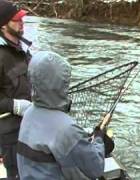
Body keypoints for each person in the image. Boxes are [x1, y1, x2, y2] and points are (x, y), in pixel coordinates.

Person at [17, 51, 109, 179]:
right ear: (60, 84)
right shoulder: (66, 130)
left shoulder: (28, 114)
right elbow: (95, 169)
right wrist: (99, 137)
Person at [0, 0, 32, 178]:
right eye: (16, 20)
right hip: (10, 136)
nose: (21, 23)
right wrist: (14, 105)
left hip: (30, 127)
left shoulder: (22, 48)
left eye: (22, 19)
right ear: (4, 25)